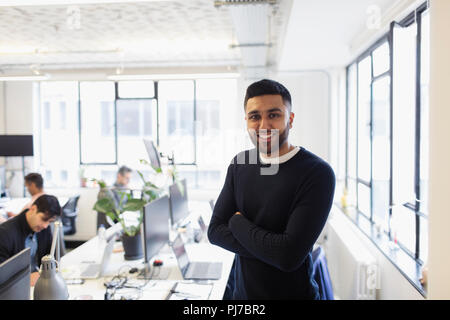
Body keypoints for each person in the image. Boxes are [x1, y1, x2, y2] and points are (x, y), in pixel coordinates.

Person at [207, 79, 336, 300]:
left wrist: (237, 222)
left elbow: (288, 257)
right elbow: (215, 232)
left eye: (274, 115)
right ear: (246, 120)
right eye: (255, 116)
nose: (264, 125)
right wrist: (272, 251)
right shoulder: (240, 164)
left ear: (290, 119)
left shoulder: (317, 173)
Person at [0, 194, 61, 286]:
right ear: (33, 209)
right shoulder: (5, 233)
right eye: (44, 219)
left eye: (49, 222)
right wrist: (26, 279)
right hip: (16, 286)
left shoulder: (43, 228)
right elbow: (2, 274)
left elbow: (51, 256)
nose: (45, 225)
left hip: (38, 281)